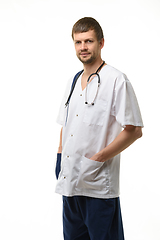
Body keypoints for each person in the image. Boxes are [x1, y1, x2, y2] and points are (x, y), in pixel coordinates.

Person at [55, 17, 143, 240]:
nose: (83, 47)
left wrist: (100, 158)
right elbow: (66, 123)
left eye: (88, 41)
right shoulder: (73, 81)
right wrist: (59, 156)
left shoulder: (116, 80)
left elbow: (134, 129)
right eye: (78, 42)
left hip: (98, 186)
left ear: (101, 43)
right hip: (70, 184)